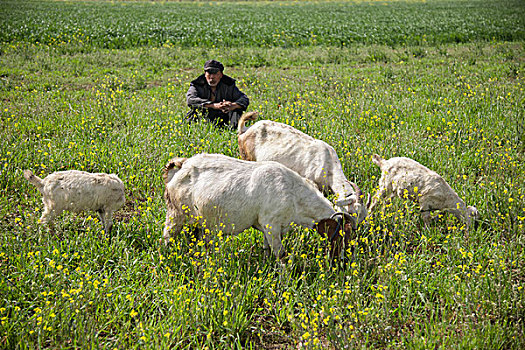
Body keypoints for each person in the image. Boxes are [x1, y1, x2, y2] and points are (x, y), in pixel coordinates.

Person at [186, 60, 249, 129]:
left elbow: (244, 98)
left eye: (216, 74)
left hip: (224, 115)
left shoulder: (228, 84)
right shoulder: (197, 84)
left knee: (236, 112)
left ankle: (234, 132)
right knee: (194, 112)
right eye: (209, 73)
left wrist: (232, 105)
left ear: (221, 75)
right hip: (205, 116)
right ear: (205, 74)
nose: (212, 77)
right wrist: (213, 105)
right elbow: (190, 99)